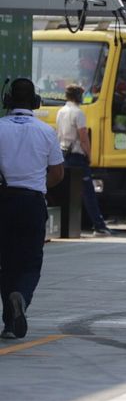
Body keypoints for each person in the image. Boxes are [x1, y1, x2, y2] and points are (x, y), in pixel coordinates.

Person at [0, 78, 64, 339]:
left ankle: (8, 323)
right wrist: (37, 184)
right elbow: (57, 173)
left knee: (6, 262)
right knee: (30, 262)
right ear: (36, 102)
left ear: (7, 101)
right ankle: (22, 297)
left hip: (4, 200)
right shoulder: (46, 131)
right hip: (32, 201)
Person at [56, 84, 113, 236]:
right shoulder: (78, 113)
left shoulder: (61, 111)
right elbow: (83, 137)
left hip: (63, 154)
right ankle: (99, 226)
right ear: (77, 96)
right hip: (77, 156)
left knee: (65, 192)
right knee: (88, 192)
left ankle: (62, 226)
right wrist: (89, 155)